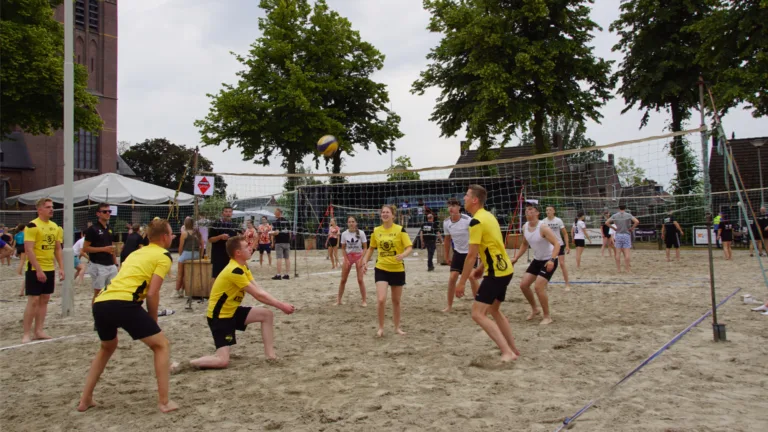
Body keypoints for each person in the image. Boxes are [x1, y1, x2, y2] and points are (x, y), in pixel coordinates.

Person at [77, 219, 177, 414]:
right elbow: (152, 293)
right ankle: (164, 402)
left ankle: (85, 399)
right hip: (124, 303)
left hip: (101, 302)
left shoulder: (134, 254)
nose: (172, 237)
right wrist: (153, 320)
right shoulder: (164, 256)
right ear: (165, 237)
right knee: (161, 345)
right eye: (171, 234)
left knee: (107, 347)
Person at [178, 236, 295, 371]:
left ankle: (271, 356)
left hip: (231, 311)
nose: (250, 248)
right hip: (219, 318)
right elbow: (257, 295)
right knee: (222, 361)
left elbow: (259, 290)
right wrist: (282, 306)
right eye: (246, 246)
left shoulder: (243, 267)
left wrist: (280, 304)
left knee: (266, 315)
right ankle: (185, 364)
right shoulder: (235, 270)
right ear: (238, 252)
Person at [456, 185, 519, 361]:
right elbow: (493, 244)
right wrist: (481, 268)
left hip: (496, 273)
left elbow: (470, 256)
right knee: (494, 310)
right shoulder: (489, 216)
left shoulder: (476, 221)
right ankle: (513, 348)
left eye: (467, 195)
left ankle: (507, 352)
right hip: (506, 269)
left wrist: (461, 283)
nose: (464, 198)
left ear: (475, 200)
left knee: (477, 313)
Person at [362, 205, 413, 337]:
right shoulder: (376, 231)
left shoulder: (400, 230)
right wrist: (365, 261)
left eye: (387, 212)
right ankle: (381, 328)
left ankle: (397, 327)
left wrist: (403, 255)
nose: (384, 214)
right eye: (383, 212)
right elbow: (371, 248)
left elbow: (409, 247)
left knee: (396, 301)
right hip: (381, 268)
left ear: (393, 215)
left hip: (397, 269)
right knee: (381, 299)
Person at [22, 198, 64, 343]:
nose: (51, 209)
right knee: (33, 300)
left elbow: (58, 249)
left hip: (49, 267)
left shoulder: (55, 227)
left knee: (45, 299)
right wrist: (38, 270)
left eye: (52, 207)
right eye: (47, 207)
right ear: (39, 210)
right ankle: (26, 333)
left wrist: (61, 268)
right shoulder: (32, 226)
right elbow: (29, 249)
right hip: (35, 268)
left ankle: (39, 330)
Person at [510, 204, 560, 325]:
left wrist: (552, 260)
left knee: (538, 287)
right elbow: (524, 244)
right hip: (537, 260)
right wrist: (516, 257)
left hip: (549, 259)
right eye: (527, 210)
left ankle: (547, 316)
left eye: (531, 209)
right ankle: (535, 309)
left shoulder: (543, 228)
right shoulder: (525, 226)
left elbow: (557, 244)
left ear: (537, 213)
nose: (528, 211)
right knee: (523, 285)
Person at [442, 198, 478, 312]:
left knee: (472, 277)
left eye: (454, 205)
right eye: (449, 206)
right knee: (452, 278)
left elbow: (477, 237)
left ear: (459, 208)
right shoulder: (446, 222)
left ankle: (479, 305)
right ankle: (449, 306)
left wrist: (479, 254)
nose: (451, 208)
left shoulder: (468, 220)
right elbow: (447, 240)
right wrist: (446, 256)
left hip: (470, 253)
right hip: (458, 253)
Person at [83, 203, 119, 305]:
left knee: (112, 291)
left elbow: (112, 248)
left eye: (109, 211)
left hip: (110, 264)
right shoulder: (92, 229)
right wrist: (103, 249)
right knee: (98, 292)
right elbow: (85, 248)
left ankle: (108, 313)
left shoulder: (110, 228)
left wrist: (116, 264)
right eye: (105, 211)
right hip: (98, 264)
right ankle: (96, 313)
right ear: (98, 214)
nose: (108, 213)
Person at [336, 216, 368, 306]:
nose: (351, 223)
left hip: (358, 256)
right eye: (349, 222)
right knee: (343, 279)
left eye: (353, 221)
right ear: (347, 223)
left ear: (356, 223)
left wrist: (362, 259)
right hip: (348, 256)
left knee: (360, 280)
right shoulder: (344, 234)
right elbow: (342, 248)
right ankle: (339, 300)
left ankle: (364, 301)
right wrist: (345, 259)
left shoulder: (361, 233)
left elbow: (365, 248)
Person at [209, 206, 240, 280]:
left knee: (231, 277)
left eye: (229, 212)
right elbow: (210, 239)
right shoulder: (216, 224)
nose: (228, 213)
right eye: (226, 211)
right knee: (217, 277)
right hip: (218, 255)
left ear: (232, 213)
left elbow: (236, 239)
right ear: (222, 213)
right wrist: (220, 237)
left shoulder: (234, 225)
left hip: (231, 255)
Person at [605, 205, 639, 273]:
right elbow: (637, 221)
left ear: (618, 208)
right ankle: (627, 269)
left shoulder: (615, 215)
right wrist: (632, 228)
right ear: (625, 208)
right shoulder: (628, 215)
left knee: (618, 253)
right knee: (627, 253)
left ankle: (618, 269)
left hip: (618, 235)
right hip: (626, 234)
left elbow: (606, 223)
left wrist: (613, 228)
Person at [544, 206, 571, 290]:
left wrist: (567, 245)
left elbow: (565, 234)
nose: (548, 211)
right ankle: (545, 284)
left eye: (550, 210)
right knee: (547, 264)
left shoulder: (558, 220)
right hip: (549, 246)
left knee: (562, 264)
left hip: (559, 244)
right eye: (547, 210)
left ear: (554, 211)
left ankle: (567, 284)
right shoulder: (544, 221)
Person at [176, 217, 202, 295]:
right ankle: (183, 289)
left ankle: (177, 290)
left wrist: (181, 255)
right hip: (196, 254)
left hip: (187, 253)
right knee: (188, 274)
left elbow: (180, 247)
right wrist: (200, 255)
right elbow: (202, 244)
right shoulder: (197, 233)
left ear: (185, 224)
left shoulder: (184, 233)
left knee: (180, 274)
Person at [270, 208, 291, 280]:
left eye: (275, 212)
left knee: (279, 258)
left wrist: (270, 233)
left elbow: (276, 232)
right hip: (287, 242)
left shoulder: (276, 222)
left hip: (279, 242)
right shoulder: (287, 221)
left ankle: (278, 275)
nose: (274, 213)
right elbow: (289, 232)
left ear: (279, 212)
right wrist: (288, 240)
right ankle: (287, 274)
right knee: (287, 258)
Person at [14, 224, 26, 296]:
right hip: (24, 246)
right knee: (22, 261)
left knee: (21, 261)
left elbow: (14, 243)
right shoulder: (25, 234)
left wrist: (13, 249)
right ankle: (19, 272)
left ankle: (19, 271)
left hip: (18, 247)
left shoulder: (16, 235)